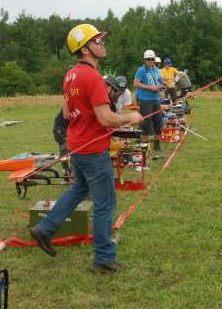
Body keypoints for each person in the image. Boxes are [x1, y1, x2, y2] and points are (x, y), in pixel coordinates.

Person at [30, 23, 142, 273]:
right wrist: (130, 118)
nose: (103, 44)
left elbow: (69, 114)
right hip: (92, 150)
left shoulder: (70, 75)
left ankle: (45, 228)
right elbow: (106, 119)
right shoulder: (92, 77)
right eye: (99, 41)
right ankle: (103, 258)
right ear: (86, 49)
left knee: (78, 189)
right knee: (106, 204)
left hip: (77, 145)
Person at [133, 50, 164, 156]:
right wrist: (150, 87)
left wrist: (162, 86)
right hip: (145, 100)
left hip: (156, 99)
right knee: (146, 123)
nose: (150, 61)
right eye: (148, 59)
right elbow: (136, 83)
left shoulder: (157, 70)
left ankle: (157, 145)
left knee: (158, 122)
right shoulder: (141, 70)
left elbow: (160, 82)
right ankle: (144, 147)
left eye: (152, 59)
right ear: (145, 60)